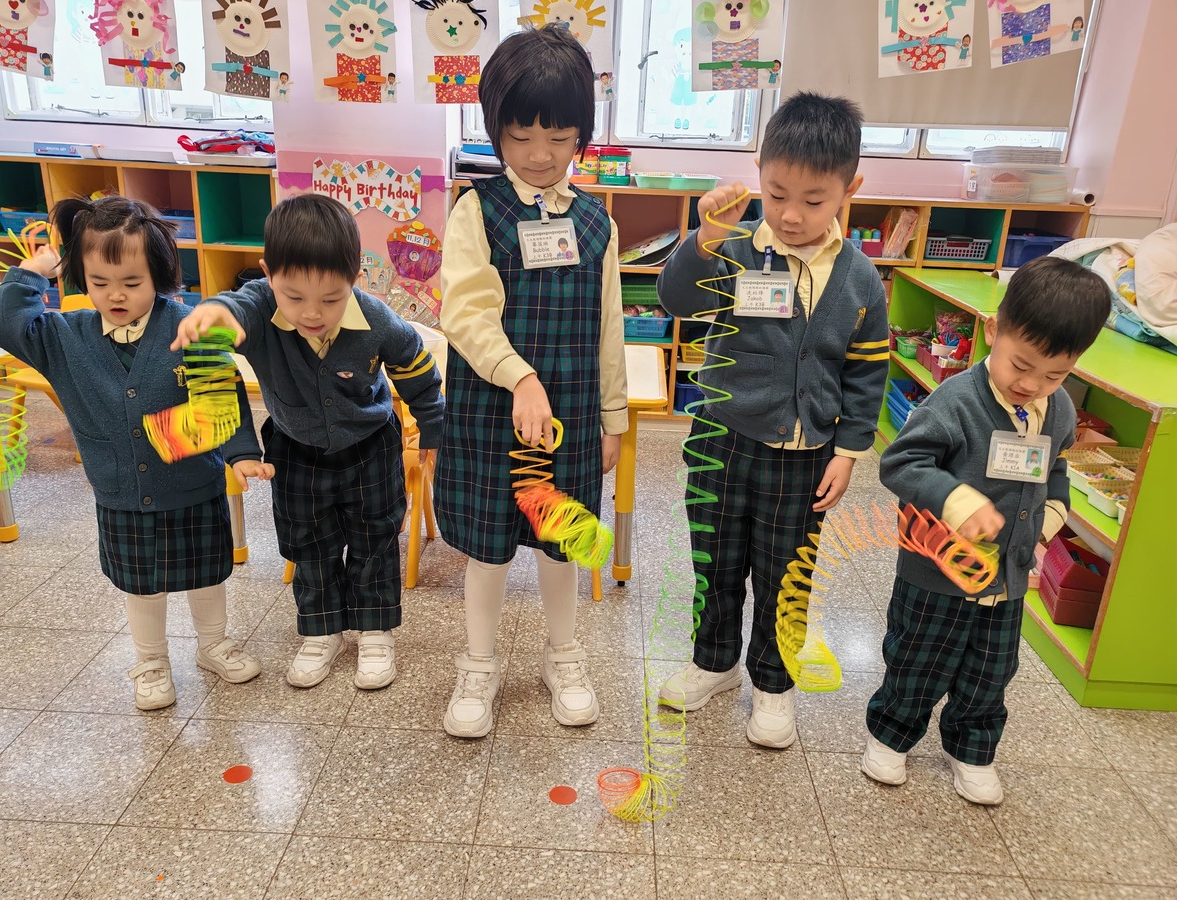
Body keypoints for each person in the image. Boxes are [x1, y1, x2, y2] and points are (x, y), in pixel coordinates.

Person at [655, 92, 889, 748]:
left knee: (788, 576)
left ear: (849, 190)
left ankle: (773, 683)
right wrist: (704, 240)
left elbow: (867, 373)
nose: (790, 214)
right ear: (758, 172)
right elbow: (674, 300)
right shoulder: (735, 250)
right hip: (722, 442)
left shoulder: (860, 280)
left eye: (814, 200)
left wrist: (849, 451)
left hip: (805, 455)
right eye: (777, 192)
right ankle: (714, 663)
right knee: (717, 562)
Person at [0, 195, 267, 711]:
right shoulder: (62, 336)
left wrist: (241, 454)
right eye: (100, 282)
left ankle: (214, 644)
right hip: (122, 492)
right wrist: (31, 274)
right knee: (141, 585)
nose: (116, 295)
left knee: (207, 573)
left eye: (132, 283)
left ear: (159, 274)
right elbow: (4, 326)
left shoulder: (191, 326)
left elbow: (221, 399)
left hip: (194, 485)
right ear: (79, 276)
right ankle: (151, 660)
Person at [436, 23, 627, 738]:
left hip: (570, 410)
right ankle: (479, 663)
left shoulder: (596, 222)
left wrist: (614, 418)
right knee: (488, 547)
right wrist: (519, 377)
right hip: (492, 409)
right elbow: (466, 311)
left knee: (563, 540)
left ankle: (563, 655)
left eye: (559, 136)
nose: (540, 154)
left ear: (582, 135)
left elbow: (609, 326)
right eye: (520, 136)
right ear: (496, 131)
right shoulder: (476, 210)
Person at [863, 256, 1111, 805]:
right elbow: (902, 463)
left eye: (1054, 374)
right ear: (994, 331)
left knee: (991, 670)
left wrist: (1052, 514)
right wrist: (955, 498)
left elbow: (1057, 467)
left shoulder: (1058, 410)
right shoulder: (956, 401)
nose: (1031, 384)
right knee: (917, 660)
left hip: (1008, 578)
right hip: (937, 573)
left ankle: (972, 749)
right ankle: (891, 735)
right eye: (1021, 365)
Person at [173, 194, 444, 691]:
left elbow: (418, 373)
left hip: (370, 447)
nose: (312, 313)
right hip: (295, 450)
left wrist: (434, 429)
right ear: (268, 275)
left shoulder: (377, 319)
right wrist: (212, 311)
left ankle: (374, 630)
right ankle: (321, 632)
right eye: (294, 297)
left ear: (356, 279)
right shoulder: (258, 307)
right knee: (309, 544)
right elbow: (229, 321)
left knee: (375, 540)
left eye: (331, 299)